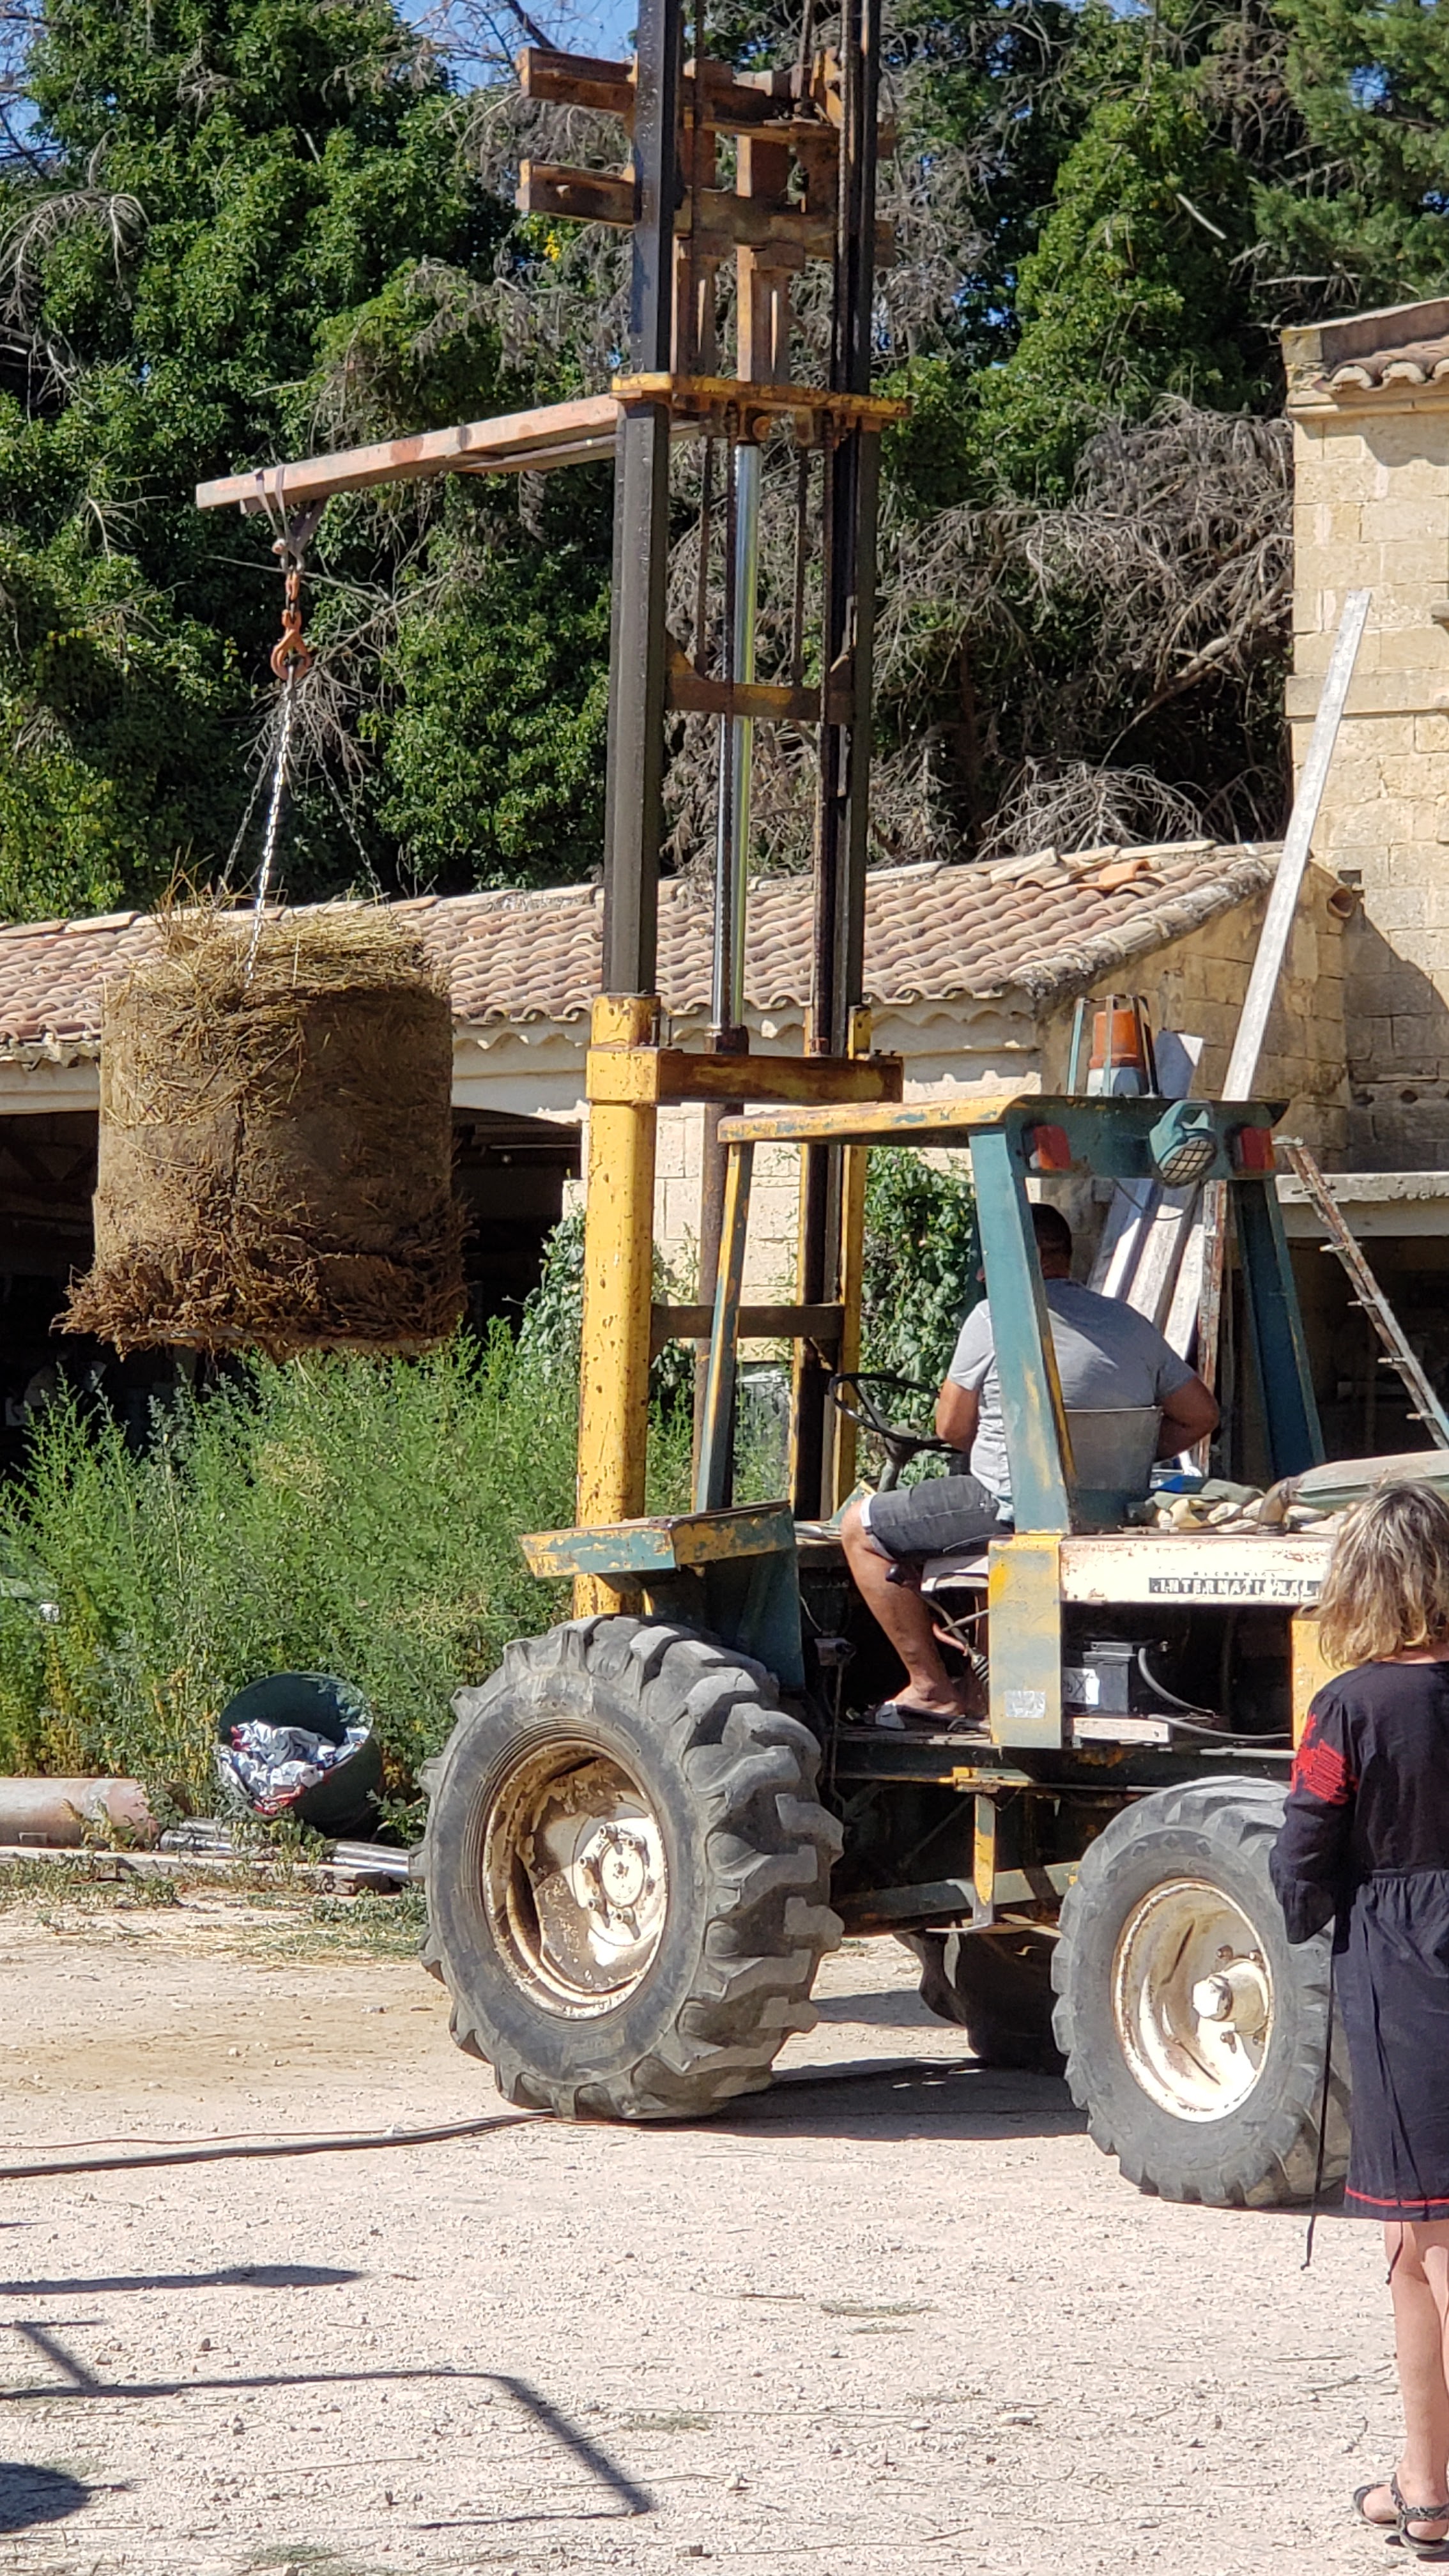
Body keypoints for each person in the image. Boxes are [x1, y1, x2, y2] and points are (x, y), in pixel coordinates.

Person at [838, 1202, 1219, 1729]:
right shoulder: (1129, 1322)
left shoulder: (994, 1317)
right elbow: (1202, 1415)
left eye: (991, 1259)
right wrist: (1117, 1455)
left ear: (1026, 1257)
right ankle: (982, 1691)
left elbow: (950, 1429)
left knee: (859, 1527)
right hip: (1105, 1509)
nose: (982, 1274)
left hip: (1009, 1505)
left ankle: (931, 1690)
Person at [1271, 1482, 1449, 2561]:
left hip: (1407, 1970)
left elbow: (1302, 1853)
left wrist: (1309, 1905)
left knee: (1435, 2240)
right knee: (1407, 2245)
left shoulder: (1348, 1707)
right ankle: (1425, 2487)